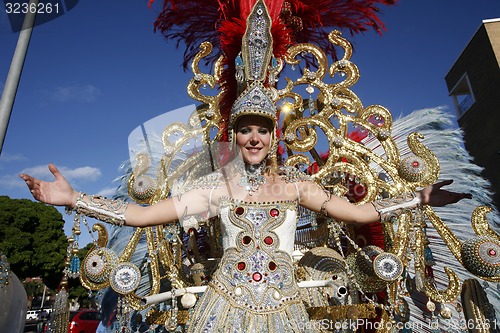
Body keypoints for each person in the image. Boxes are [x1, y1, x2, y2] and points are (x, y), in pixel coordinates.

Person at [19, 2, 472, 331]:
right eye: (245, 130)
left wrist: (420, 198)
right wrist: (73, 198)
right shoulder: (218, 187)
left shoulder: (298, 186)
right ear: (234, 136)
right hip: (222, 312)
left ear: (274, 135)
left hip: (288, 314)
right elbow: (140, 215)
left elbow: (361, 214)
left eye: (262, 129)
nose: (254, 138)